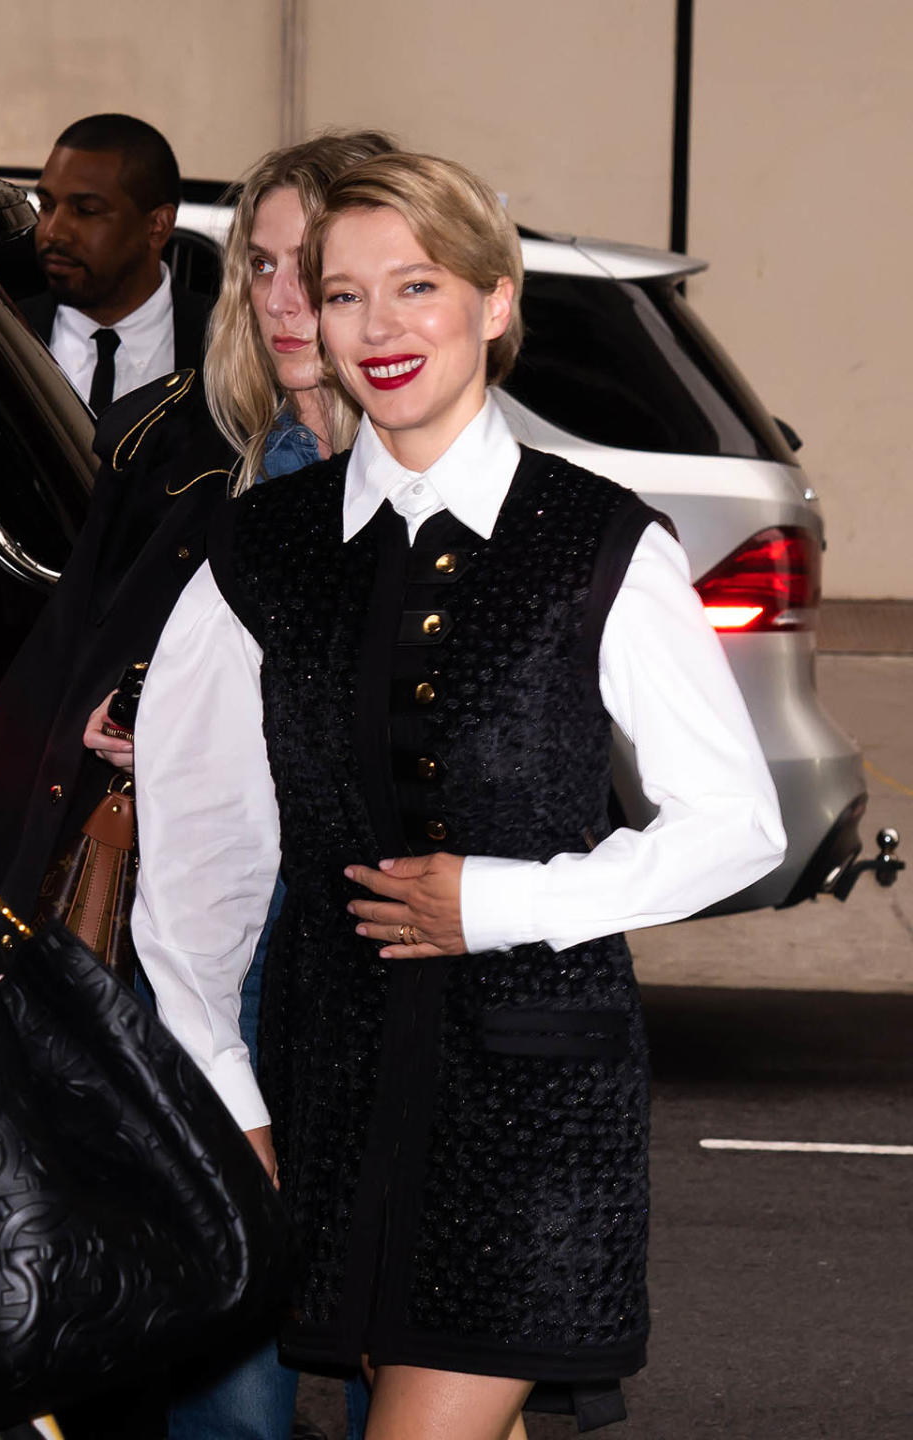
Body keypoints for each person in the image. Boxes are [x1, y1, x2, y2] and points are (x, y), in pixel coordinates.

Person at [132, 152, 787, 1439]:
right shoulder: (255, 555)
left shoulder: (599, 541)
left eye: (417, 286)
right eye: (343, 295)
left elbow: (739, 826)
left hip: (536, 1108)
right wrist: (233, 1097)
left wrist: (499, 903)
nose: (378, 328)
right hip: (327, 1093)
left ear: (495, 303)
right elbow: (196, 872)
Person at [0, 130, 393, 1440]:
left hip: (381, 972)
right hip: (206, 960)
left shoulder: (440, 490)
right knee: (226, 1357)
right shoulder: (189, 457)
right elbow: (64, 670)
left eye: (315, 264)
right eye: (258, 262)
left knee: (411, 1352)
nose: (284, 294)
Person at [21, 112, 210, 412]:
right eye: (46, 206)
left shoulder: (229, 344)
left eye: (86, 210)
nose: (53, 231)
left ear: (157, 226)